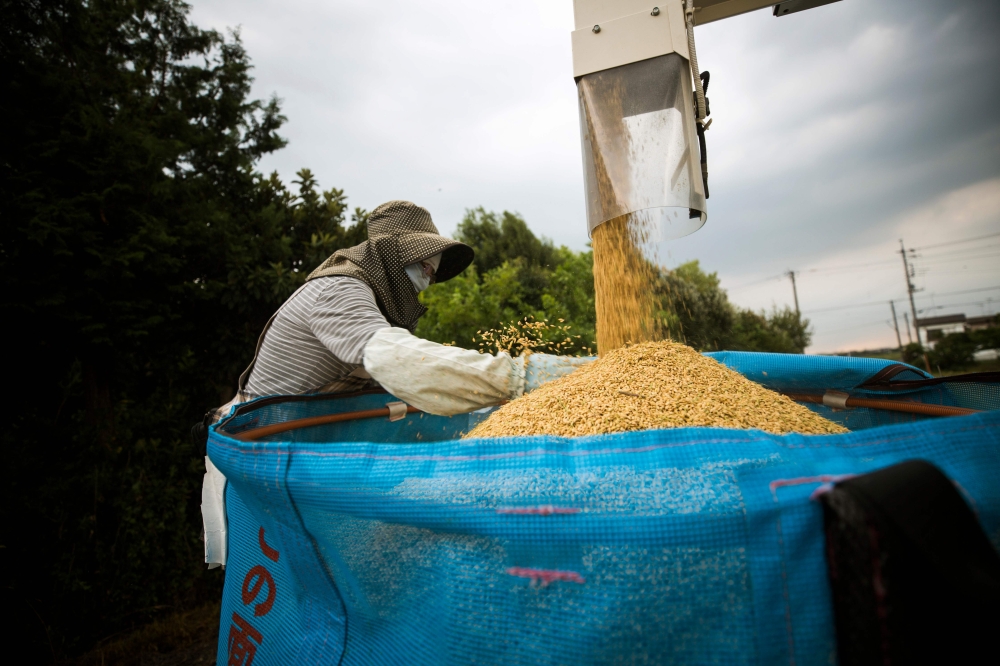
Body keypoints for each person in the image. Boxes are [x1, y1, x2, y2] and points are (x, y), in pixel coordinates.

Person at [200, 200, 585, 567]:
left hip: (302, 464)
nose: (426, 283)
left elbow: (411, 380)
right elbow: (403, 362)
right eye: (423, 268)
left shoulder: (369, 302)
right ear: (389, 255)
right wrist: (523, 377)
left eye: (432, 274)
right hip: (262, 464)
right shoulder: (338, 292)